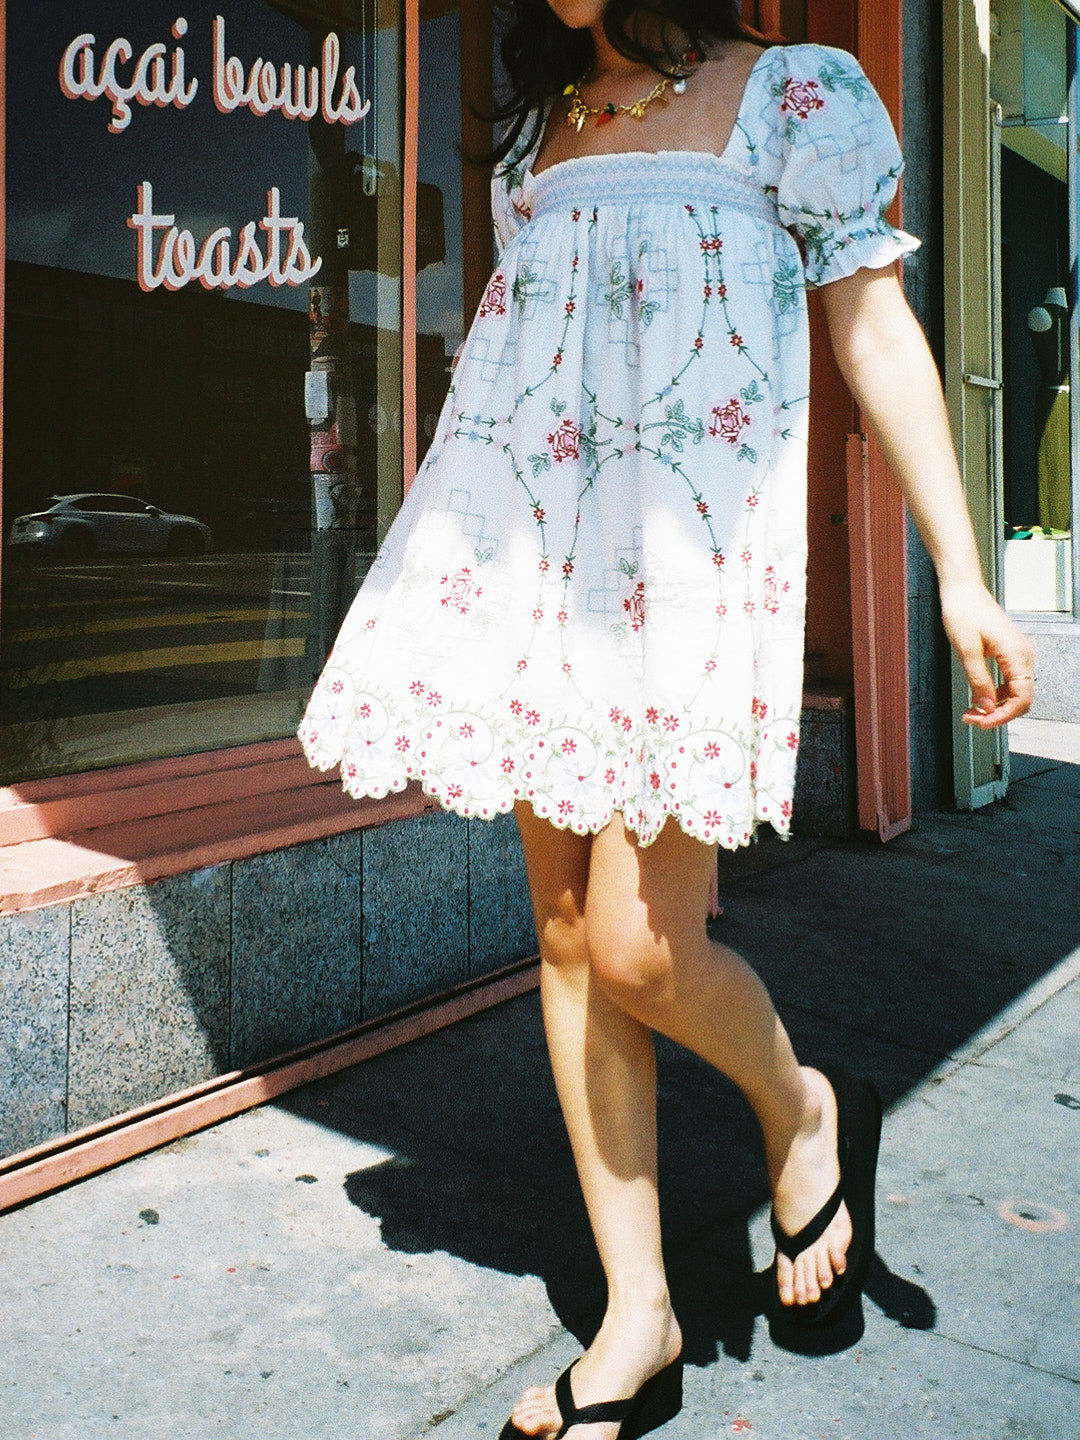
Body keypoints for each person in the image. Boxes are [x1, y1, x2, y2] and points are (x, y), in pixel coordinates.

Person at [299, 2, 1035, 1435]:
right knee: (569, 937)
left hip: (691, 568)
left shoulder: (792, 95)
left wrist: (959, 568)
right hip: (541, 553)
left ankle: (805, 1104)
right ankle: (637, 1315)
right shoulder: (544, 125)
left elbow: (873, 329)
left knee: (644, 944)